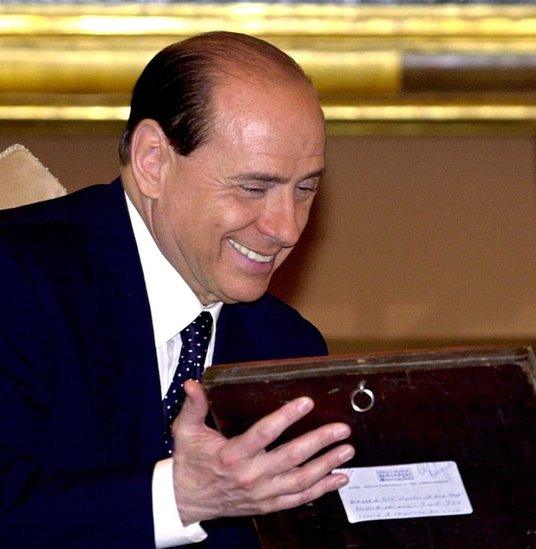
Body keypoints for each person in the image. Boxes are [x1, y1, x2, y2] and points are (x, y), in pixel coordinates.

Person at [0, 32, 355, 547]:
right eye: (254, 188)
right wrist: (179, 498)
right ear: (152, 162)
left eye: (305, 190)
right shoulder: (16, 278)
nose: (287, 228)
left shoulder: (286, 345)